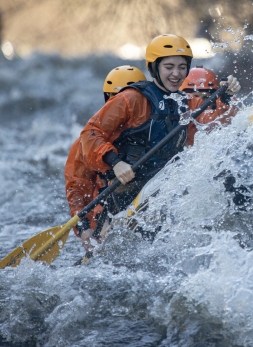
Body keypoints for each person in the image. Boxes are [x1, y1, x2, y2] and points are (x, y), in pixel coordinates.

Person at [78, 34, 241, 236]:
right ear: (154, 68)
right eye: (169, 67)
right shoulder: (131, 99)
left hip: (165, 183)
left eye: (182, 67)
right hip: (128, 189)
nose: (176, 74)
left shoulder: (185, 101)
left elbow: (216, 122)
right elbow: (91, 133)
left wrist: (225, 97)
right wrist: (115, 161)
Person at [66, 65, 147, 251]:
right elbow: (77, 187)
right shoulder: (86, 142)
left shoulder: (149, 131)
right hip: (105, 210)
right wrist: (84, 227)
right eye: (113, 99)